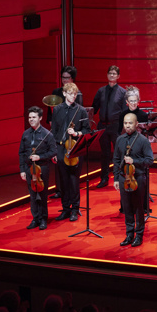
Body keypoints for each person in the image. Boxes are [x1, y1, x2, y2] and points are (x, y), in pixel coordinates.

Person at [51, 83, 91, 222]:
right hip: (61, 147)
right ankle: (65, 209)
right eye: (70, 93)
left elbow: (87, 130)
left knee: (74, 180)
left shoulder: (81, 110)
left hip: (75, 148)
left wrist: (76, 133)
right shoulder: (57, 109)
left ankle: (75, 209)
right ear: (64, 94)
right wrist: (54, 151)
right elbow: (54, 131)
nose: (73, 96)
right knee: (63, 180)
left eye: (75, 94)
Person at [113, 113, 154, 247]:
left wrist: (134, 161)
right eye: (125, 123)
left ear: (136, 124)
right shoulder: (120, 139)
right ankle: (129, 234)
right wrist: (116, 179)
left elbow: (149, 160)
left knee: (138, 207)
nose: (127, 126)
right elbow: (116, 160)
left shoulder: (143, 140)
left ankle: (139, 234)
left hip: (138, 178)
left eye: (130, 123)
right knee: (126, 207)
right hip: (123, 177)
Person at [47, 65, 83, 200]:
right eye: (63, 77)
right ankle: (60, 192)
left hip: (72, 138)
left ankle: (73, 200)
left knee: (72, 172)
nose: (65, 80)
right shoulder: (56, 92)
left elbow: (80, 117)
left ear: (72, 79)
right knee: (60, 168)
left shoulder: (77, 95)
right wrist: (52, 123)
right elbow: (50, 112)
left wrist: (75, 132)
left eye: (67, 78)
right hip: (59, 136)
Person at [19, 106, 56, 231]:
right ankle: (35, 218)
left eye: (34, 117)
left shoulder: (47, 134)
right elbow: (21, 153)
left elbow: (53, 151)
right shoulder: (25, 134)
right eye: (29, 117)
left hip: (42, 168)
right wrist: (22, 170)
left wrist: (40, 157)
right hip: (29, 168)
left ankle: (43, 219)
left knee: (42, 194)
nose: (31, 119)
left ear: (40, 118)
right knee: (33, 195)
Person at [93, 65, 127, 188]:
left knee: (119, 153)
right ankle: (104, 179)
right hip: (102, 126)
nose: (112, 75)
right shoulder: (101, 91)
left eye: (114, 73)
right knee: (104, 154)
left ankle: (120, 178)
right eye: (110, 73)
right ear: (107, 75)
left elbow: (124, 112)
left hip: (116, 126)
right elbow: (94, 108)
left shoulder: (123, 92)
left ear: (118, 76)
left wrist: (122, 128)